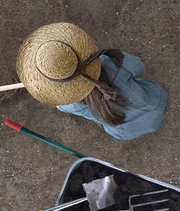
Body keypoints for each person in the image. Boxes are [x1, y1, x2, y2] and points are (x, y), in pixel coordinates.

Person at [16, 23, 168, 140]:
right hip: (155, 102)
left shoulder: (68, 103)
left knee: (95, 114)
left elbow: (70, 107)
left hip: (122, 131)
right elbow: (138, 66)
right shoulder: (111, 61)